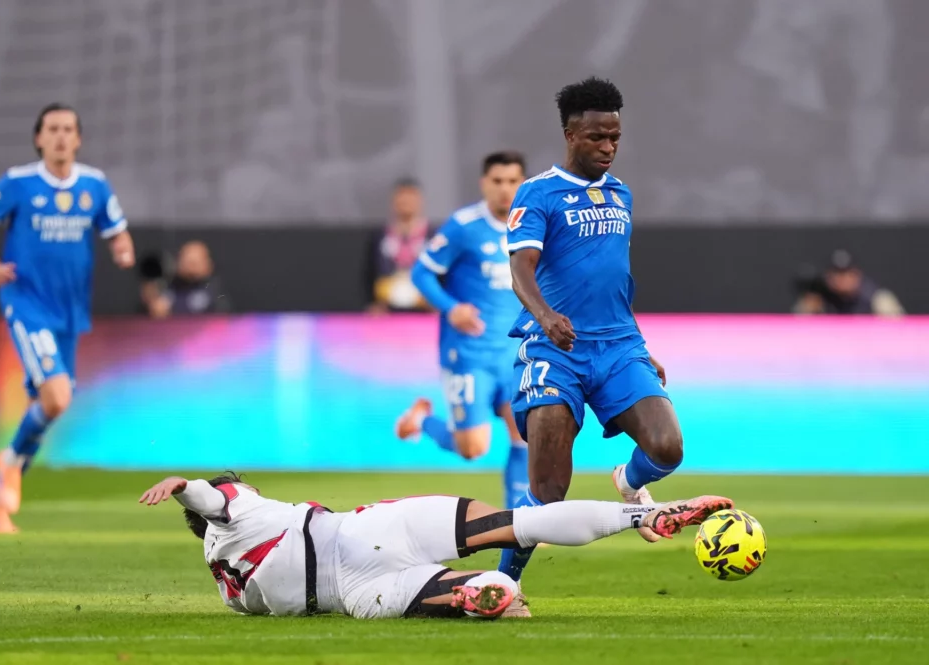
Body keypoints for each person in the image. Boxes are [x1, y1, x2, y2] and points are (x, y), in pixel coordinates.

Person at [500, 78, 682, 586]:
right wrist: (545, 317)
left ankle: (629, 480)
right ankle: (504, 582)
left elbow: (613, 281)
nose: (608, 148)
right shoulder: (538, 193)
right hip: (557, 350)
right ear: (570, 133)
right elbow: (522, 269)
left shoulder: (620, 194)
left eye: (615, 139)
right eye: (598, 137)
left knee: (667, 448)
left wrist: (642, 347)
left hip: (620, 348)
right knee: (549, 492)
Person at [139, 472, 732, 619]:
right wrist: (181, 485)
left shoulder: (229, 593)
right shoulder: (234, 507)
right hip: (367, 530)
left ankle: (483, 596)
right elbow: (210, 496)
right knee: (520, 522)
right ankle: (642, 516)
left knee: (486, 591)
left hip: (356, 593)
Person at [0, 102, 136, 533]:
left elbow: (116, 229)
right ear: (39, 137)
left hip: (69, 309)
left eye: (68, 129)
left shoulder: (94, 184)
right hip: (26, 302)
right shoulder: (18, 182)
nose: (60, 136)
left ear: (78, 138)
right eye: (52, 129)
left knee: (48, 405)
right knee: (57, 396)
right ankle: (9, 463)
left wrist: (122, 248)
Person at [396, 151, 529, 512]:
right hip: (469, 354)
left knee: (525, 434)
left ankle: (521, 519)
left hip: (516, 354)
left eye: (512, 181)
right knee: (473, 449)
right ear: (484, 183)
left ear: (523, 184)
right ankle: (422, 420)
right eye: (497, 181)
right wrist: (451, 308)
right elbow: (422, 273)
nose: (505, 189)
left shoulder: (532, 226)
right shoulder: (464, 226)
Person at [368, 178, 430, 313]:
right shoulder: (379, 237)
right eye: (401, 196)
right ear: (393, 201)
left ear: (419, 200)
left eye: (411, 196)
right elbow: (369, 274)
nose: (406, 201)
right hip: (388, 313)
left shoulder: (433, 237)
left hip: (425, 312)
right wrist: (373, 303)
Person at [792, 249, 904, 316]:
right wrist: (810, 309)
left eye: (847, 273)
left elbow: (898, 331)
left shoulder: (877, 298)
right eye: (837, 273)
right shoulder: (820, 299)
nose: (842, 279)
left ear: (857, 274)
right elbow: (798, 330)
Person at [141, 241, 231, 318]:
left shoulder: (214, 291)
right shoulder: (167, 288)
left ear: (208, 264)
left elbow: (222, 319)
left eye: (195, 262)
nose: (191, 267)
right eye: (187, 261)